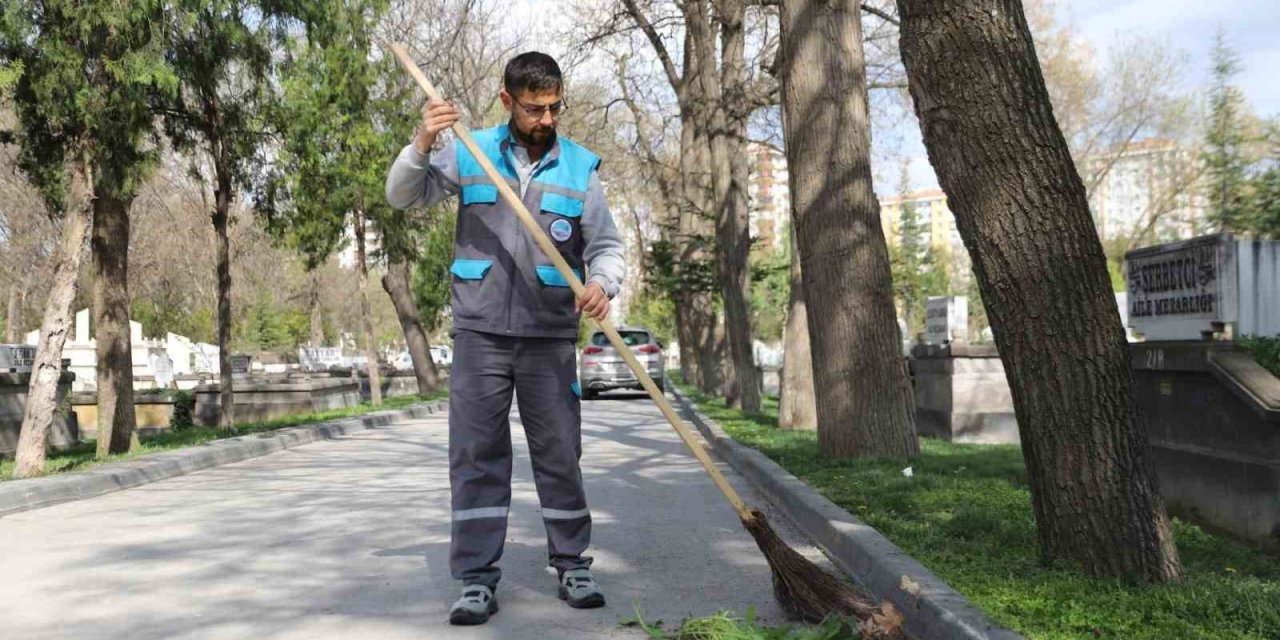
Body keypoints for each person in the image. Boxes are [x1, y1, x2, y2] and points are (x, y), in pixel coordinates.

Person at [385, 51, 625, 626]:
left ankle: (573, 565)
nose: (546, 119)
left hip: (548, 335)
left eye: (554, 107)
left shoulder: (579, 169)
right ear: (507, 101)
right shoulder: (469, 150)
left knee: (560, 454)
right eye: (534, 108)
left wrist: (601, 283)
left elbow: (607, 246)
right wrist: (422, 140)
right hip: (480, 332)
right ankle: (475, 579)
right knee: (476, 455)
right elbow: (400, 196)